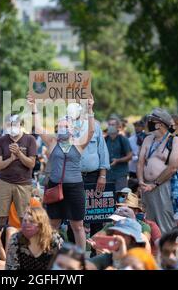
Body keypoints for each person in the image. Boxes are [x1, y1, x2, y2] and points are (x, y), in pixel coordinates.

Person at [29, 95, 95, 250]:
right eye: (60, 126)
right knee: (53, 223)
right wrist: (33, 107)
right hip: (55, 187)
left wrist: (90, 109)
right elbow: (38, 128)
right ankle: (49, 253)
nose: (63, 128)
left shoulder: (78, 144)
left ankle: (81, 258)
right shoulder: (52, 143)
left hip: (74, 188)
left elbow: (91, 131)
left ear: (73, 128)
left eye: (66, 125)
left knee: (77, 225)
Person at [65, 102, 110, 254]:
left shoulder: (94, 126)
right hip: (72, 177)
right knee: (74, 216)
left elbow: (102, 151)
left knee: (96, 216)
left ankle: (95, 252)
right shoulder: (64, 127)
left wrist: (102, 175)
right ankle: (75, 252)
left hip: (93, 177)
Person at [137, 108, 178, 234]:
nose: (148, 123)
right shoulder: (148, 139)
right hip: (146, 186)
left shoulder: (174, 141)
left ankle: (169, 251)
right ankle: (153, 251)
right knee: (149, 222)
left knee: (165, 222)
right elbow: (140, 162)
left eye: (151, 120)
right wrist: (141, 181)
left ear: (160, 124)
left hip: (163, 186)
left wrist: (154, 184)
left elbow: (173, 167)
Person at [0, 114, 37, 227]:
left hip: (23, 183)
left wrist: (19, 153)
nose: (12, 127)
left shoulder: (30, 139)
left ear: (20, 125)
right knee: (1, 218)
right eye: (9, 124)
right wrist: (11, 159)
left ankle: (24, 243)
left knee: (24, 217)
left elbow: (31, 164)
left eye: (14, 124)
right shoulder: (1, 140)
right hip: (4, 182)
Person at [105, 116, 133, 191]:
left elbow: (130, 156)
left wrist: (118, 160)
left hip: (120, 175)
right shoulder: (105, 139)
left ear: (118, 126)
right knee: (109, 198)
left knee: (120, 198)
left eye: (113, 124)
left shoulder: (123, 139)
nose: (111, 126)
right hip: (108, 175)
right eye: (109, 124)